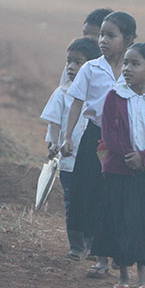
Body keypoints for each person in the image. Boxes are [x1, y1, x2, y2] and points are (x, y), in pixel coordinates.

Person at [93, 42, 145, 288]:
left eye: (134, 64)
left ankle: (143, 279)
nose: (127, 68)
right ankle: (123, 277)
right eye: (125, 63)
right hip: (120, 172)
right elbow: (108, 133)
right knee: (121, 223)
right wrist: (129, 156)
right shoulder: (114, 98)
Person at [61, 11, 137, 279]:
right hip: (95, 139)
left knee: (119, 199)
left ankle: (117, 254)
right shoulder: (91, 69)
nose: (102, 40)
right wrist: (68, 137)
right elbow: (76, 103)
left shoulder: (135, 68)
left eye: (110, 35)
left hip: (125, 142)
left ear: (127, 40)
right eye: (101, 35)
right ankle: (101, 259)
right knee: (95, 198)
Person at [40, 37, 101, 260]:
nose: (72, 68)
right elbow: (54, 122)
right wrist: (53, 143)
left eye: (79, 63)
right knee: (72, 200)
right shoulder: (62, 93)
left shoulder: (98, 95)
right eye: (70, 62)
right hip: (68, 160)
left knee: (93, 200)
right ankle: (76, 245)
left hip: (92, 160)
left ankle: (93, 243)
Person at [59, 8, 114, 87]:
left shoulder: (123, 67)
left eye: (94, 36)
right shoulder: (74, 66)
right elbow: (64, 91)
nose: (87, 39)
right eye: (85, 34)